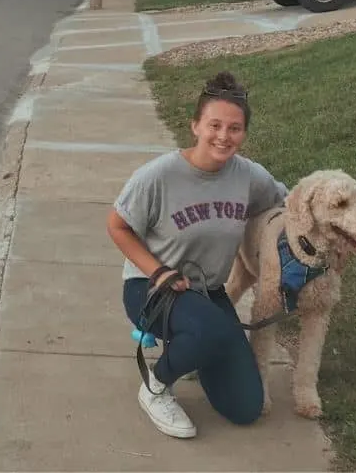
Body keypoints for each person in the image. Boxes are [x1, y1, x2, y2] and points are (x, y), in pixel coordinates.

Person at [106, 70, 288, 439]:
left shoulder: (249, 177)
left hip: (207, 291)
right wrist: (159, 273)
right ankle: (156, 386)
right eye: (215, 125)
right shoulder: (158, 176)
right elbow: (117, 226)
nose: (223, 136)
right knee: (213, 328)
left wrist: (333, 227)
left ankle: (193, 346)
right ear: (195, 126)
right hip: (150, 289)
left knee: (245, 407)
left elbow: (288, 205)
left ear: (244, 133)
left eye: (234, 128)